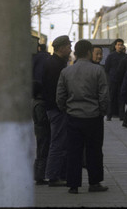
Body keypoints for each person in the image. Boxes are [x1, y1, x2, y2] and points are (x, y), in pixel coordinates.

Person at [56, 40, 109, 194]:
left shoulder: (66, 72)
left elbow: (60, 96)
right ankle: (94, 182)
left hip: (73, 116)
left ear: (75, 53)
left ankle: (73, 184)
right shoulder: (98, 71)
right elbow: (103, 95)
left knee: (74, 151)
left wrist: (66, 108)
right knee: (94, 151)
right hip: (93, 117)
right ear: (88, 52)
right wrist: (102, 111)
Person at [42, 35, 72, 187]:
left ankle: (57, 174)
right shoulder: (57, 66)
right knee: (58, 142)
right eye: (68, 46)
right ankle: (53, 176)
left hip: (52, 108)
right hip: (57, 109)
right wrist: (63, 107)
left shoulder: (53, 62)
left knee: (58, 142)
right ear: (61, 48)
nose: (70, 49)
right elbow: (58, 90)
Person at [32, 43, 51, 185]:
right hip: (42, 124)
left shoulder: (33, 60)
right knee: (44, 146)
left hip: (35, 105)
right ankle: (40, 175)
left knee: (40, 145)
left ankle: (38, 173)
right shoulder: (48, 60)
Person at [104, 38, 126, 121]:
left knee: (121, 98)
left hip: (122, 80)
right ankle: (109, 115)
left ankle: (121, 115)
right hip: (112, 80)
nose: (120, 46)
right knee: (111, 98)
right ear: (115, 46)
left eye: (121, 45)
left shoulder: (125, 56)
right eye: (118, 45)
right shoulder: (111, 56)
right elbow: (106, 68)